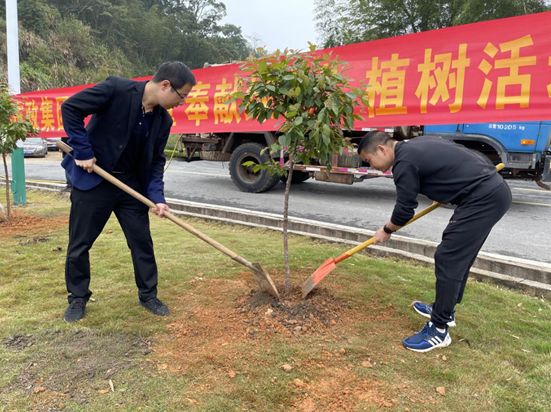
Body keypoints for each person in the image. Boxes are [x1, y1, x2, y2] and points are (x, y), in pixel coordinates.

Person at [61, 61, 196, 322]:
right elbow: (71, 108)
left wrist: (157, 198)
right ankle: (77, 297)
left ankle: (148, 295)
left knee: (141, 241)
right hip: (95, 180)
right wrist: (83, 151)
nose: (181, 103)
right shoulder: (116, 89)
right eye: (182, 96)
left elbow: (156, 161)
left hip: (131, 187)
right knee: (80, 243)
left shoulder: (163, 120)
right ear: (165, 85)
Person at [357, 131, 511, 352]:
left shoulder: (403, 163)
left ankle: (439, 329)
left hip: (482, 199)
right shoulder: (417, 144)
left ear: (381, 149)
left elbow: (404, 210)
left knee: (449, 257)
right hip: (491, 192)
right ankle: (443, 309)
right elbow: (456, 157)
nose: (371, 166)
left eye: (369, 160)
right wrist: (447, 188)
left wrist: (386, 230)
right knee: (458, 258)